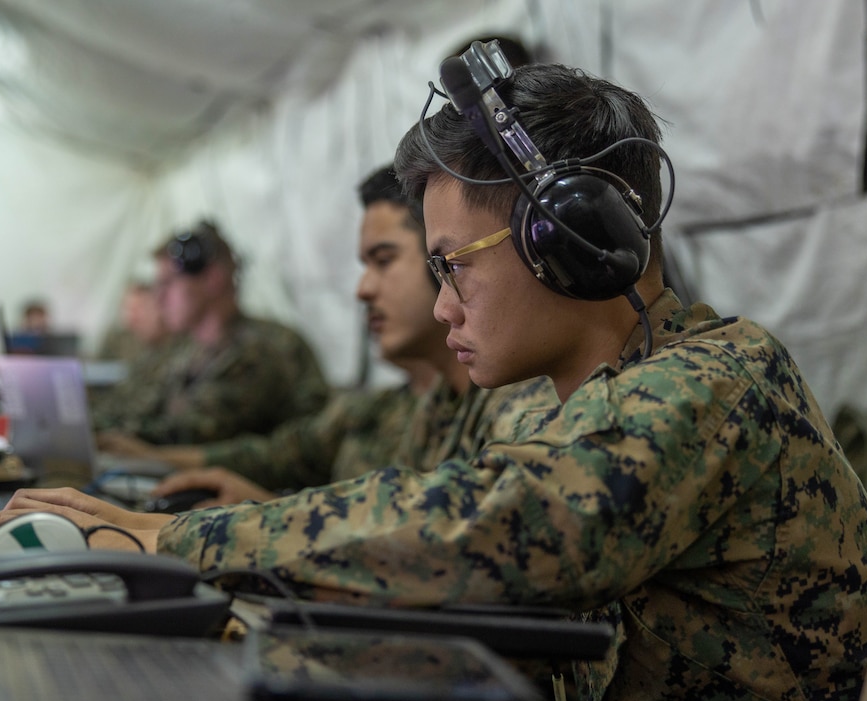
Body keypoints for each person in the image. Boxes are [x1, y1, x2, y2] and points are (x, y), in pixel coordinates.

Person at [0, 60, 867, 701]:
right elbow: (493, 608)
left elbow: (497, 526)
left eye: (452, 266)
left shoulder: (718, 382)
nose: (443, 303)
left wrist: (172, 543)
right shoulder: (552, 404)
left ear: (568, 239)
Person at [100, 165, 556, 506]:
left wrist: (260, 516)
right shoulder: (401, 407)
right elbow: (276, 457)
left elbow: (443, 534)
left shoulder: (518, 406)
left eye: (384, 260)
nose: (362, 289)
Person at [91, 220, 329, 445]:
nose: (159, 298)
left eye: (168, 283)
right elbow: (138, 405)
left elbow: (194, 432)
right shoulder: (184, 348)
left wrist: (105, 431)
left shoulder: (269, 346)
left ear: (213, 280)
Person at [97, 281, 167, 363]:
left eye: (139, 308)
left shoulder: (165, 337)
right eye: (129, 309)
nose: (133, 315)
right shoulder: (116, 340)